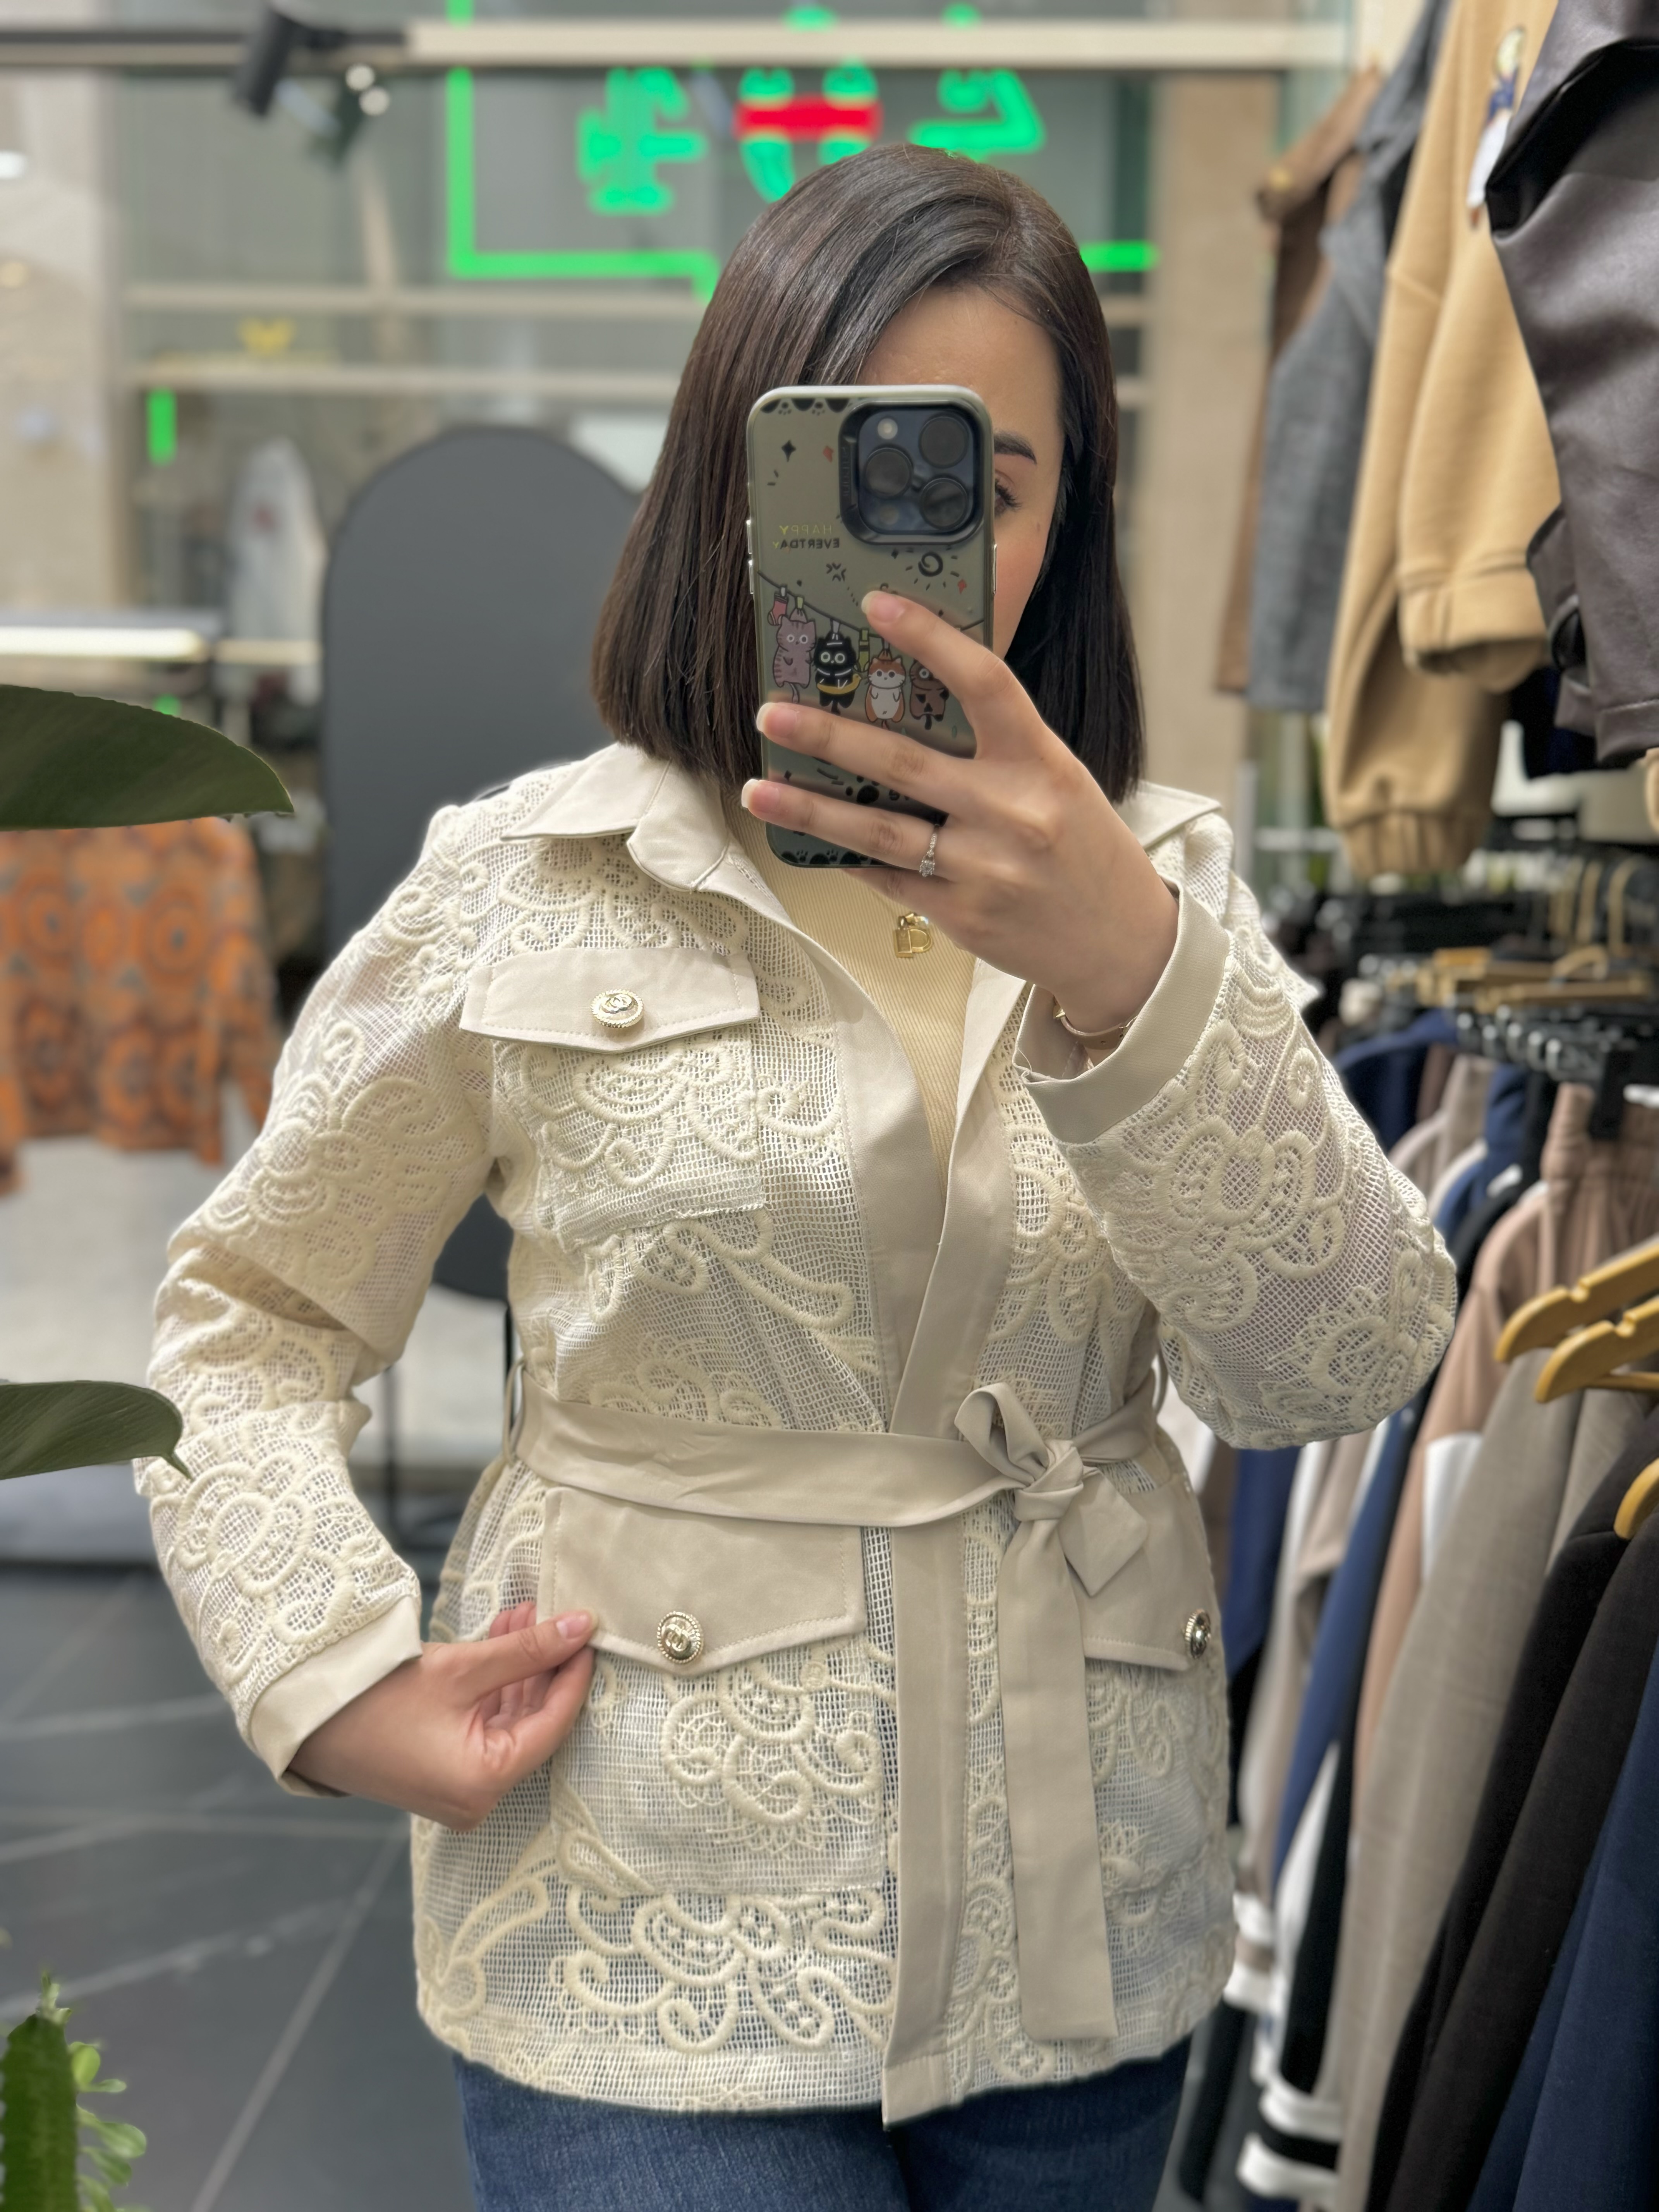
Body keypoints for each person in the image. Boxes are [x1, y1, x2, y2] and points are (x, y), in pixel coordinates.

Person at [144, 144, 1454, 2212]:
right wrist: (327, 1671)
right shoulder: (527, 882)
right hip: (647, 1902)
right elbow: (250, 1320)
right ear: (732, 493)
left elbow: (1344, 1364)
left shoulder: (1165, 894)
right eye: (860, 477)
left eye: (991, 485)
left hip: (1084, 1908)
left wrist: (1132, 976)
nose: (925, 558)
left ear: (1064, 525)